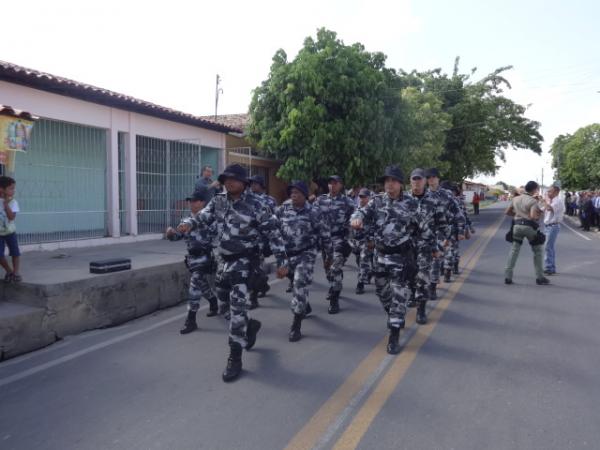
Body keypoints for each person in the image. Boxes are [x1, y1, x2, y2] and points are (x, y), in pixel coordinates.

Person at [178, 164, 289, 382]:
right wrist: (188, 223)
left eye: (234, 179)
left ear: (243, 182)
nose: (229, 182)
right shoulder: (219, 200)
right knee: (225, 305)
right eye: (226, 178)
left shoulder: (256, 204)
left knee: (237, 308)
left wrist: (282, 261)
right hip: (223, 261)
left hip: (245, 261)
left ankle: (234, 357)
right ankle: (249, 326)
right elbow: (203, 215)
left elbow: (274, 232)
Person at [351, 166, 436, 354]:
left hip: (401, 257)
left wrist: (434, 248)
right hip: (380, 257)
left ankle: (394, 333)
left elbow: (424, 228)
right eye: (386, 181)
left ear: (400, 183)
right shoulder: (376, 202)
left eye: (393, 180)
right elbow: (360, 212)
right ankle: (394, 314)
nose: (389, 184)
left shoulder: (412, 204)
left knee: (398, 295)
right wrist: (356, 219)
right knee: (383, 293)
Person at [276, 180, 332, 341]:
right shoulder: (283, 208)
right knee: (294, 281)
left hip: (306, 254)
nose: (293, 195)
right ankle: (304, 304)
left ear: (305, 196)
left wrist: (329, 256)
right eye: (292, 193)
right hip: (287, 254)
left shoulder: (313, 213)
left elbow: (325, 235)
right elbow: (272, 226)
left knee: (299, 283)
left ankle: (296, 324)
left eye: (297, 193)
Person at [166, 188, 219, 334]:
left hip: (204, 257)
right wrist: (171, 234)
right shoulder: (185, 220)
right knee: (201, 284)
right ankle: (213, 301)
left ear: (202, 202)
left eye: (194, 201)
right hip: (192, 259)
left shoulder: (209, 218)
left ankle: (191, 319)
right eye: (190, 201)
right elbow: (178, 236)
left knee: (194, 285)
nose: (191, 203)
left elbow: (217, 233)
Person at [314, 175, 355, 314]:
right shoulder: (320, 200)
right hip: (325, 241)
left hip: (340, 239)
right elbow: (313, 217)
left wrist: (350, 240)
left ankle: (334, 299)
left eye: (335, 183)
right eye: (330, 183)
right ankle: (334, 285)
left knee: (335, 267)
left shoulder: (348, 202)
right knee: (328, 270)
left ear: (341, 185)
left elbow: (354, 220)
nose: (332, 185)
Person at [425, 168, 465, 300]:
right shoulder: (422, 193)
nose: (431, 179)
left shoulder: (447, 194)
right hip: (423, 232)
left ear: (438, 179)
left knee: (436, 260)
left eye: (433, 177)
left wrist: (460, 230)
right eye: (428, 177)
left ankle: (432, 287)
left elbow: (458, 213)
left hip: (441, 232)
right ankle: (421, 287)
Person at [504, 180, 549, 285]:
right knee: (537, 251)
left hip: (516, 227)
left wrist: (518, 215)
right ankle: (540, 277)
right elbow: (533, 217)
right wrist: (540, 213)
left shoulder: (515, 199)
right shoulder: (533, 201)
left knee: (514, 251)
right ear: (534, 189)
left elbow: (507, 212)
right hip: (529, 227)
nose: (538, 191)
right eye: (537, 189)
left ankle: (508, 276)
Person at [247, 174, 277, 305]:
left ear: (261, 185)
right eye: (251, 183)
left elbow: (273, 220)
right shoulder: (247, 199)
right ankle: (263, 284)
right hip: (248, 239)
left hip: (262, 239)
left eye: (255, 183)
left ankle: (253, 298)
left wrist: (269, 241)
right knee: (253, 268)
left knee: (254, 268)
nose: (252, 186)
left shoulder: (269, 200)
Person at [351, 188, 374, 295]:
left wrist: (371, 240)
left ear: (369, 198)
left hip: (367, 240)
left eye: (364, 196)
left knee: (364, 260)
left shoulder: (372, 210)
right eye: (360, 196)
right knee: (359, 261)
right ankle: (368, 272)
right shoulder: (356, 209)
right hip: (356, 241)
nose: (362, 199)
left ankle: (360, 283)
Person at [0, 176, 21, 282]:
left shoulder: (13, 202)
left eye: (14, 188)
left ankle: (16, 272)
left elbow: (11, 217)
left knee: (15, 253)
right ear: (1, 189)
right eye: (11, 188)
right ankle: (9, 271)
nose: (13, 190)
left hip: (10, 232)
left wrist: (5, 204)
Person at [542, 185, 564, 275]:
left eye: (550, 191)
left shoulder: (558, 201)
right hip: (548, 226)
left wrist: (544, 200)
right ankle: (551, 267)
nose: (548, 193)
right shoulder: (550, 201)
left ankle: (549, 268)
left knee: (548, 247)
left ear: (556, 192)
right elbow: (542, 209)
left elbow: (549, 208)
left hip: (553, 226)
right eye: (548, 191)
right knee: (549, 247)